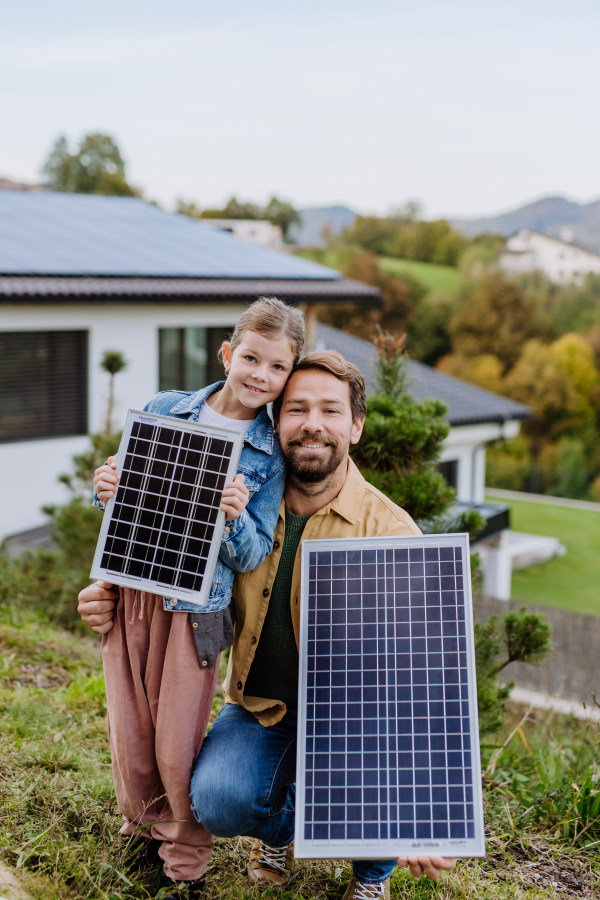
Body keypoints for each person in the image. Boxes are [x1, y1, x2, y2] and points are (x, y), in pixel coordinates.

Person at [80, 350, 457, 900]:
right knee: (218, 800)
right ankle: (278, 831)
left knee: (375, 798)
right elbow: (160, 559)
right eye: (297, 408)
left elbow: (424, 679)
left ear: (355, 426)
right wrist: (105, 592)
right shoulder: (240, 505)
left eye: (330, 411)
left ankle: (371, 874)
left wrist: (423, 816)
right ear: (275, 423)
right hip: (260, 707)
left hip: (353, 723)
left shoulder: (392, 532)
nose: (312, 424)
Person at [85, 297, 305, 897]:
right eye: (252, 358)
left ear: (288, 374)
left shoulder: (268, 454)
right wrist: (103, 489)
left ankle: (185, 867)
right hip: (132, 594)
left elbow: (255, 552)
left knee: (175, 742)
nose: (261, 375)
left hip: (196, 612)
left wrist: (232, 519)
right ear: (229, 353)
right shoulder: (165, 410)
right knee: (129, 732)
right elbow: (121, 503)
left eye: (277, 367)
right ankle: (142, 834)